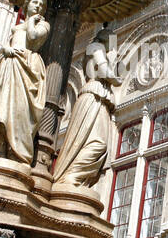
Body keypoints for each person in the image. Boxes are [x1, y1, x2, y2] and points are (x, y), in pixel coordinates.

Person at [0, 0, 50, 164]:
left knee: (20, 110)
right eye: (35, 2)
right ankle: (0, 147)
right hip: (10, 65)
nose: (38, 7)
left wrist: (32, 22)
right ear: (26, 5)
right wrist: (5, 49)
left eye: (41, 5)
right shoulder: (17, 27)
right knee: (1, 108)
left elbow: (33, 37)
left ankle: (16, 151)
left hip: (27, 66)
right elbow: (8, 44)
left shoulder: (43, 25)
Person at [52, 31, 122, 188]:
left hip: (97, 97)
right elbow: (104, 71)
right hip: (94, 96)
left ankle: (75, 178)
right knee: (98, 143)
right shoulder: (96, 47)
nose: (113, 44)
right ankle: (72, 177)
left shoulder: (97, 49)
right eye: (112, 39)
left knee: (96, 143)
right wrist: (117, 79)